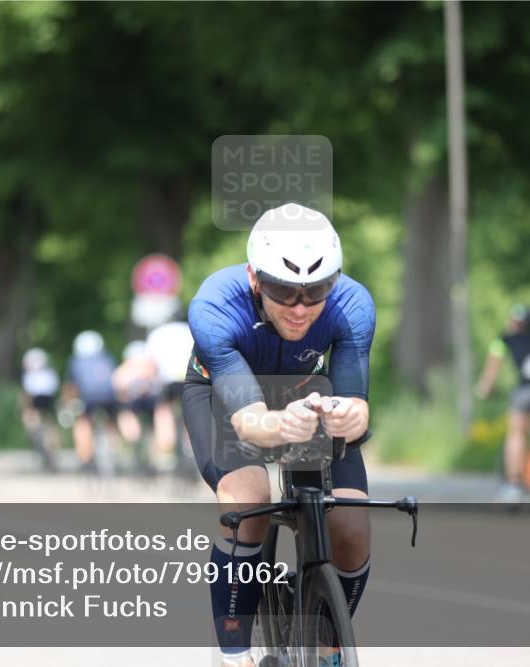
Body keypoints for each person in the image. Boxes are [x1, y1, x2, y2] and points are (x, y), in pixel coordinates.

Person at [183, 202, 375, 667]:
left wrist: (349, 417)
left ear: (335, 282)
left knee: (351, 525)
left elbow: (356, 402)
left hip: (305, 390)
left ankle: (326, 641)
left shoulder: (352, 304)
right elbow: (249, 421)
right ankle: (234, 653)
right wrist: (280, 424)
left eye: (316, 291)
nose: (300, 307)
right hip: (225, 396)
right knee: (249, 501)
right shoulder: (215, 306)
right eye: (283, 291)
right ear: (255, 278)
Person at [475, 304, 530, 502]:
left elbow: (493, 366)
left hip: (527, 391)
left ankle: (513, 486)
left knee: (516, 432)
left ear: (515, 322)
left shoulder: (504, 339)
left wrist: (485, 388)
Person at [63, 331, 118, 473]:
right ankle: (112, 449)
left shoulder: (76, 361)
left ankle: (85, 457)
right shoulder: (107, 358)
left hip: (88, 398)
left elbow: (71, 387)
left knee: (82, 422)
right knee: (110, 422)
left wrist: (68, 403)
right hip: (109, 397)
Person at [145, 320, 195, 469]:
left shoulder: (156, 334)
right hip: (190, 377)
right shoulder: (189, 329)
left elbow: (150, 365)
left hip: (169, 381)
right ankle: (191, 444)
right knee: (191, 411)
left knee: (163, 410)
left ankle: (166, 446)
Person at [111, 340, 162, 472]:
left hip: (135, 403)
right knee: (154, 421)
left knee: (124, 412)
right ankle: (152, 447)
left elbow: (117, 385)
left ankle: (133, 438)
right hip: (149, 402)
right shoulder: (151, 365)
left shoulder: (125, 368)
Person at [20, 347, 61, 469]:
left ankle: (36, 436)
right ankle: (52, 449)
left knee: (31, 420)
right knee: (50, 425)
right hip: (48, 400)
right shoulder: (50, 373)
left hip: (35, 400)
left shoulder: (28, 375)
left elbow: (26, 396)